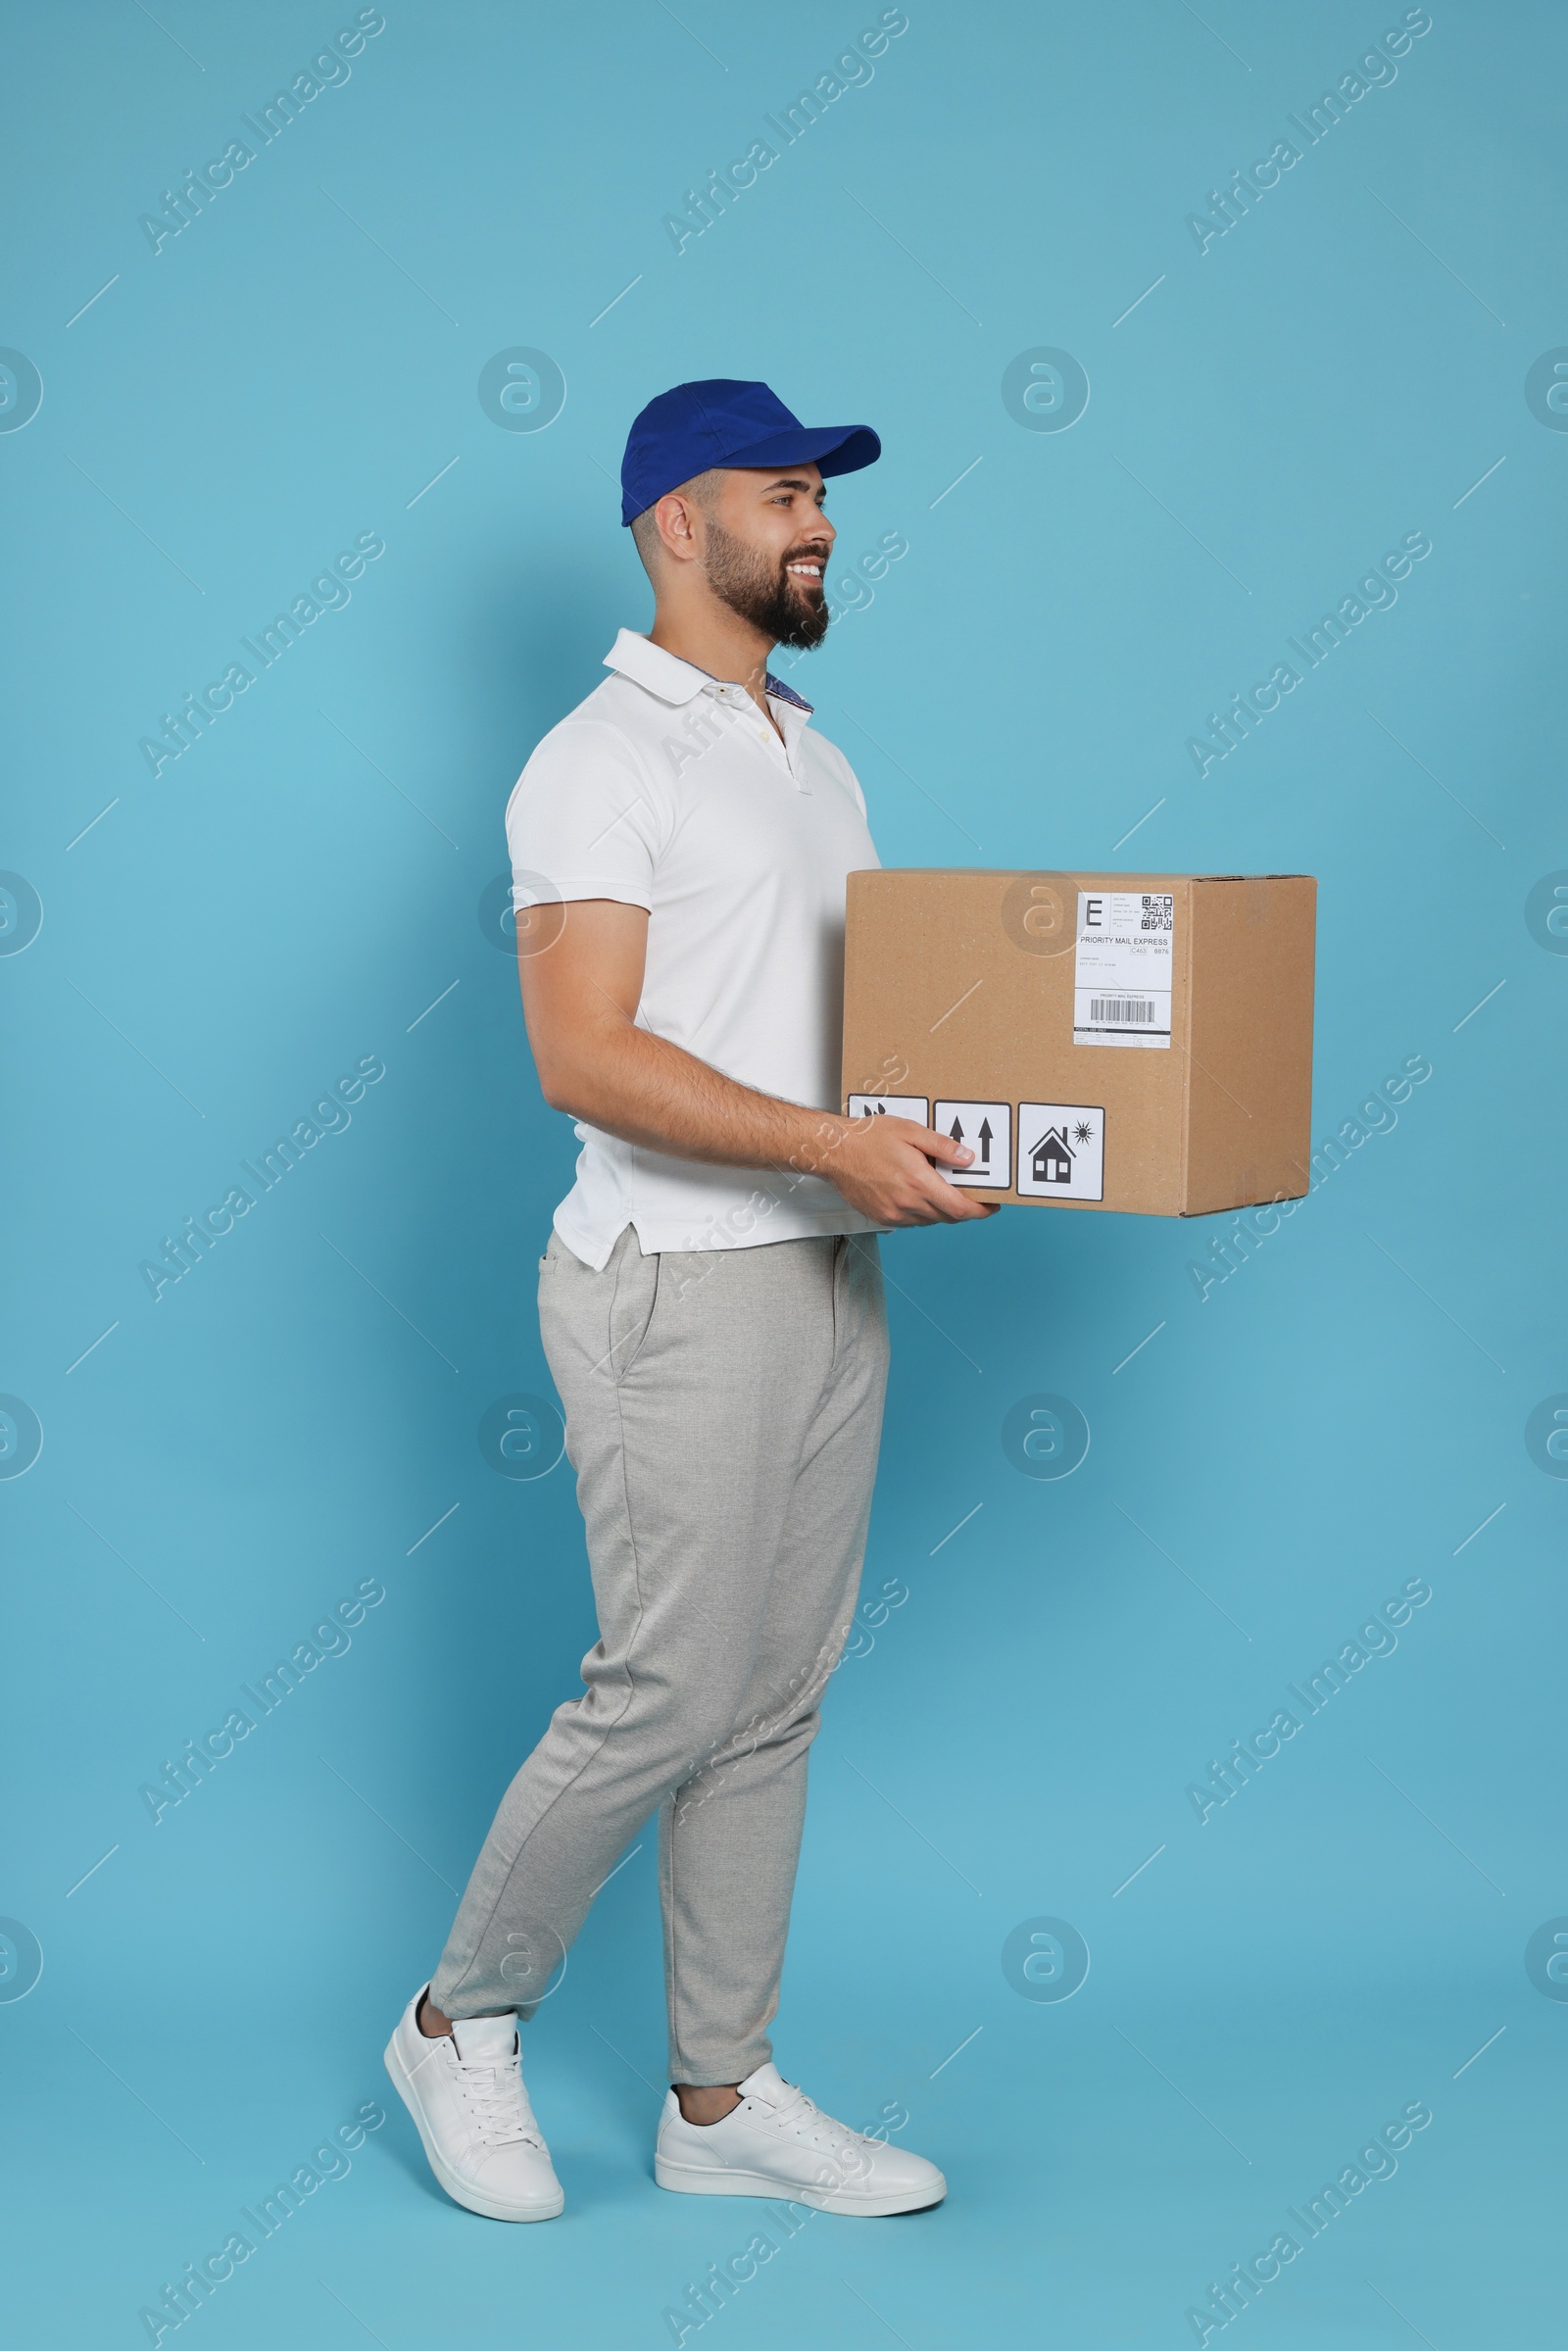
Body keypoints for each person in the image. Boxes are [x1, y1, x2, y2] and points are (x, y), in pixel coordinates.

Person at [384, 378, 995, 2223]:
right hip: (675, 1286)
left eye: (823, 499)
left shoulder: (809, 748)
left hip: (825, 1266)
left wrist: (931, 1136)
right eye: (785, 494)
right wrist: (831, 1146)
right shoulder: (600, 758)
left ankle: (719, 2106)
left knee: (773, 1700)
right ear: (675, 524)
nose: (817, 525)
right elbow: (582, 1054)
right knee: (663, 1689)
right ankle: (454, 2019)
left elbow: (819, 1026)